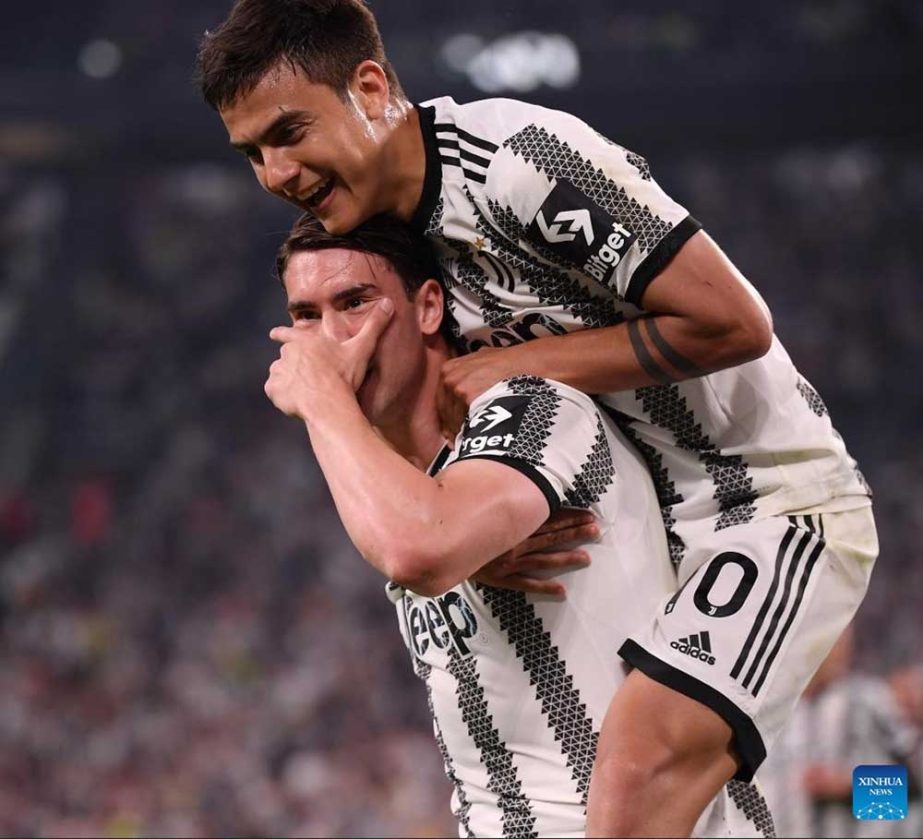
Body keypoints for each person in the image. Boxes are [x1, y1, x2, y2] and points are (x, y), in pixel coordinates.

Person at [196, 1, 878, 834]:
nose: (274, 172)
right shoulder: (398, 242)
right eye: (252, 153)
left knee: (634, 774)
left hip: (769, 503)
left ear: (370, 87)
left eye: (289, 132)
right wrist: (475, 537)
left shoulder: (517, 161)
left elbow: (734, 323)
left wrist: (860, 795)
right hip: (656, 525)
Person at [262, 210, 774, 837]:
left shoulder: (531, 405)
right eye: (306, 316)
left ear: (427, 308)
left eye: (355, 302)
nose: (331, 339)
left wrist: (322, 401)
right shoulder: (399, 486)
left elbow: (420, 550)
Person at [757, 627, 921, 838]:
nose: (840, 649)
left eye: (844, 639)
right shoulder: (765, 708)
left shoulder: (870, 702)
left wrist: (849, 787)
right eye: (833, 637)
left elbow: (913, 793)